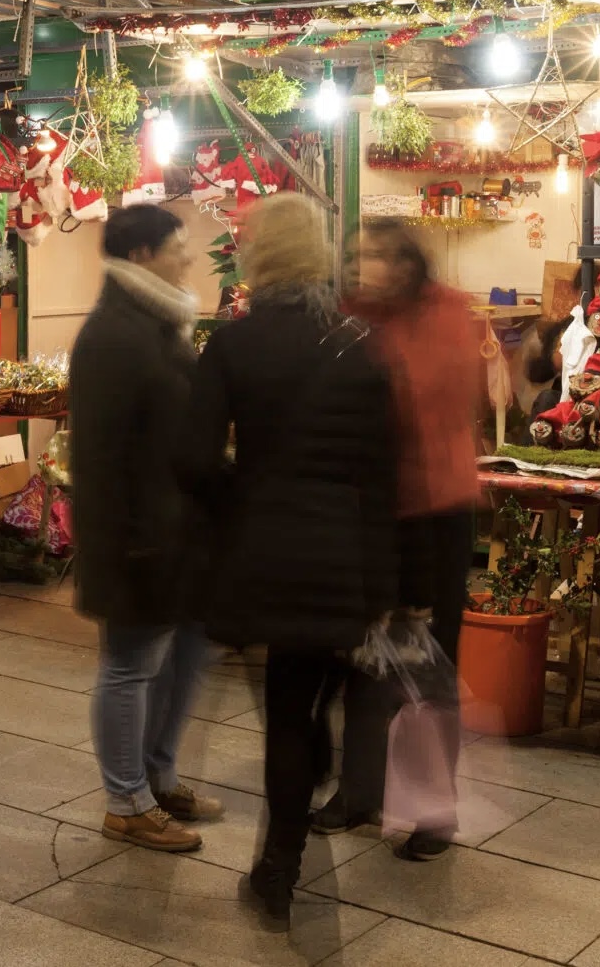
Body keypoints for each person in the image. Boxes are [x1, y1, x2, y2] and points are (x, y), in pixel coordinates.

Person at [182, 194, 402, 928]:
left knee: (284, 709)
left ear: (256, 256)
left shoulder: (234, 347)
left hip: (266, 552)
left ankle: (280, 866)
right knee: (313, 697)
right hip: (344, 555)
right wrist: (384, 581)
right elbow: (381, 475)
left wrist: (240, 498)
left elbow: (192, 457)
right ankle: (316, 775)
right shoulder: (362, 346)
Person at [316, 219, 483, 859]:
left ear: (408, 263)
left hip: (432, 511)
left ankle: (433, 812)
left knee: (427, 665)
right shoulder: (348, 318)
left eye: (377, 256)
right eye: (354, 255)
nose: (362, 266)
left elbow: (430, 404)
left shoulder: (446, 315)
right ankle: (359, 792)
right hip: (367, 514)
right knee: (361, 656)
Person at [67, 203, 220, 854]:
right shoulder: (113, 335)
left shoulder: (158, 321)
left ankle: (158, 772)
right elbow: (98, 458)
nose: (188, 255)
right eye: (177, 246)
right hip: (135, 537)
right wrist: (126, 539)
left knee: (189, 650)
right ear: (140, 256)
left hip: (177, 528)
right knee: (129, 666)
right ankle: (126, 799)